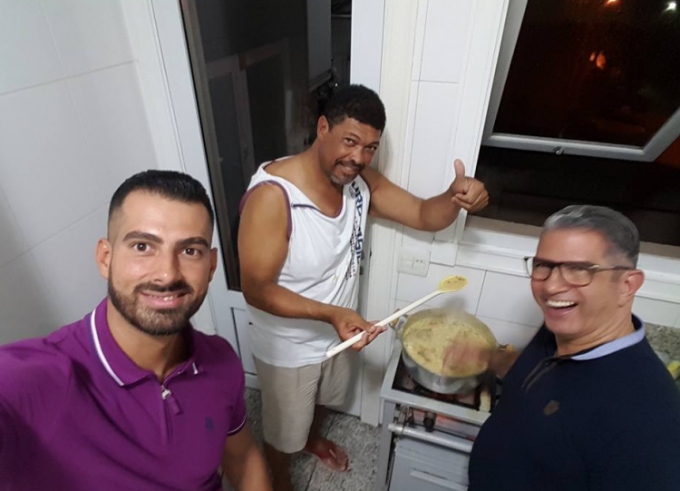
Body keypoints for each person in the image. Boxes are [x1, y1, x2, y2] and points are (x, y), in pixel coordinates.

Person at [238, 84, 489, 490]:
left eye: (370, 147)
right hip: (291, 346)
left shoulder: (358, 182)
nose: (358, 157)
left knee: (322, 403)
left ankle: (313, 440)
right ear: (323, 128)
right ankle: (281, 481)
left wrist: (455, 196)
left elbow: (423, 214)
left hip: (338, 332)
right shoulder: (274, 197)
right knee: (283, 434)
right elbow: (256, 288)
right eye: (350, 141)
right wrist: (331, 313)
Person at [0, 171, 271, 491]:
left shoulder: (221, 360)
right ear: (106, 258)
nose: (167, 274)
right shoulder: (38, 381)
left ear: (211, 267)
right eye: (143, 246)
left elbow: (242, 457)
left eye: (190, 251)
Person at [452, 205, 680, 490]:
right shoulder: (562, 326)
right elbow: (537, 376)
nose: (551, 286)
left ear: (627, 285)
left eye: (579, 269)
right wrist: (487, 357)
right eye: (543, 265)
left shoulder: (648, 421)